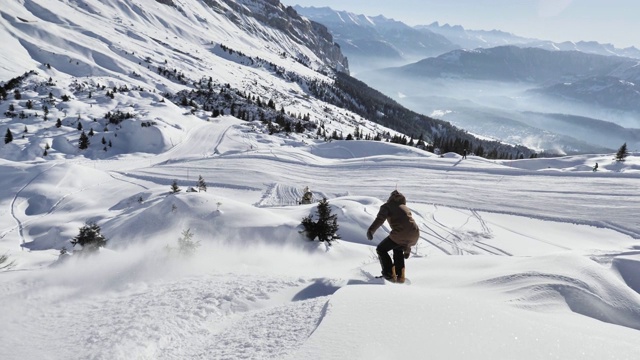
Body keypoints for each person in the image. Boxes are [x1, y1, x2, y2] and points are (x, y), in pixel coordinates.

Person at [367, 190, 420, 283]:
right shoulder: (405, 207)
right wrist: (407, 249)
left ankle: (389, 275)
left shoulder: (387, 206)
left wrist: (371, 230)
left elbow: (380, 219)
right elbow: (408, 228)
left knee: (381, 249)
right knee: (398, 248)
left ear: (390, 198)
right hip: (415, 233)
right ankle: (400, 276)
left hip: (400, 234)